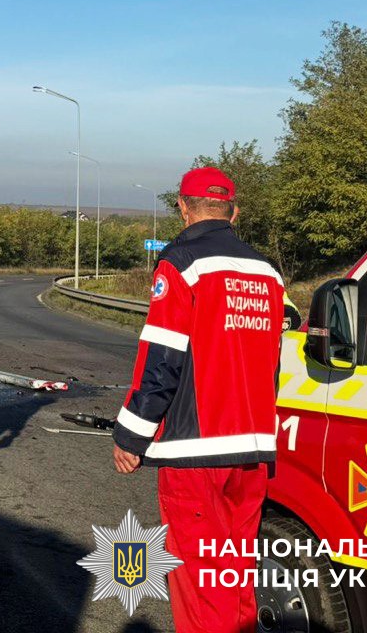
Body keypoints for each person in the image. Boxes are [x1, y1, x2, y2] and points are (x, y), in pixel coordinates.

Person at [111, 167, 285, 633]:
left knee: (200, 587)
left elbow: (162, 359)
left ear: (183, 208)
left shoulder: (182, 263)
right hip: (252, 451)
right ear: (234, 212)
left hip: (195, 453)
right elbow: (273, 363)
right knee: (235, 578)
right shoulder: (268, 272)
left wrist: (131, 434)